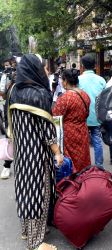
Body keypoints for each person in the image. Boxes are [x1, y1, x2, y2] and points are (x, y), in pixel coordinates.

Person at [9, 54, 63, 250]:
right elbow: (47, 131)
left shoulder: (14, 90)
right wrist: (57, 152)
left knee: (24, 190)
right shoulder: (40, 94)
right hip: (38, 155)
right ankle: (36, 242)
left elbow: (10, 124)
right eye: (42, 67)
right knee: (39, 193)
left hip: (22, 152)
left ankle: (27, 231)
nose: (45, 71)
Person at [52, 69, 91, 172]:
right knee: (82, 159)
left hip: (69, 134)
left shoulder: (65, 98)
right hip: (83, 131)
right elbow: (87, 114)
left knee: (70, 161)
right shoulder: (85, 95)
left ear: (65, 81)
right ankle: (83, 182)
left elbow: (55, 117)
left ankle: (71, 185)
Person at [78, 54, 106, 167]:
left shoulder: (78, 80)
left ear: (82, 65)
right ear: (95, 65)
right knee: (97, 140)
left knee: (82, 142)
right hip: (97, 116)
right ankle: (99, 166)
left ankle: (84, 166)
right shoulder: (101, 80)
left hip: (82, 116)